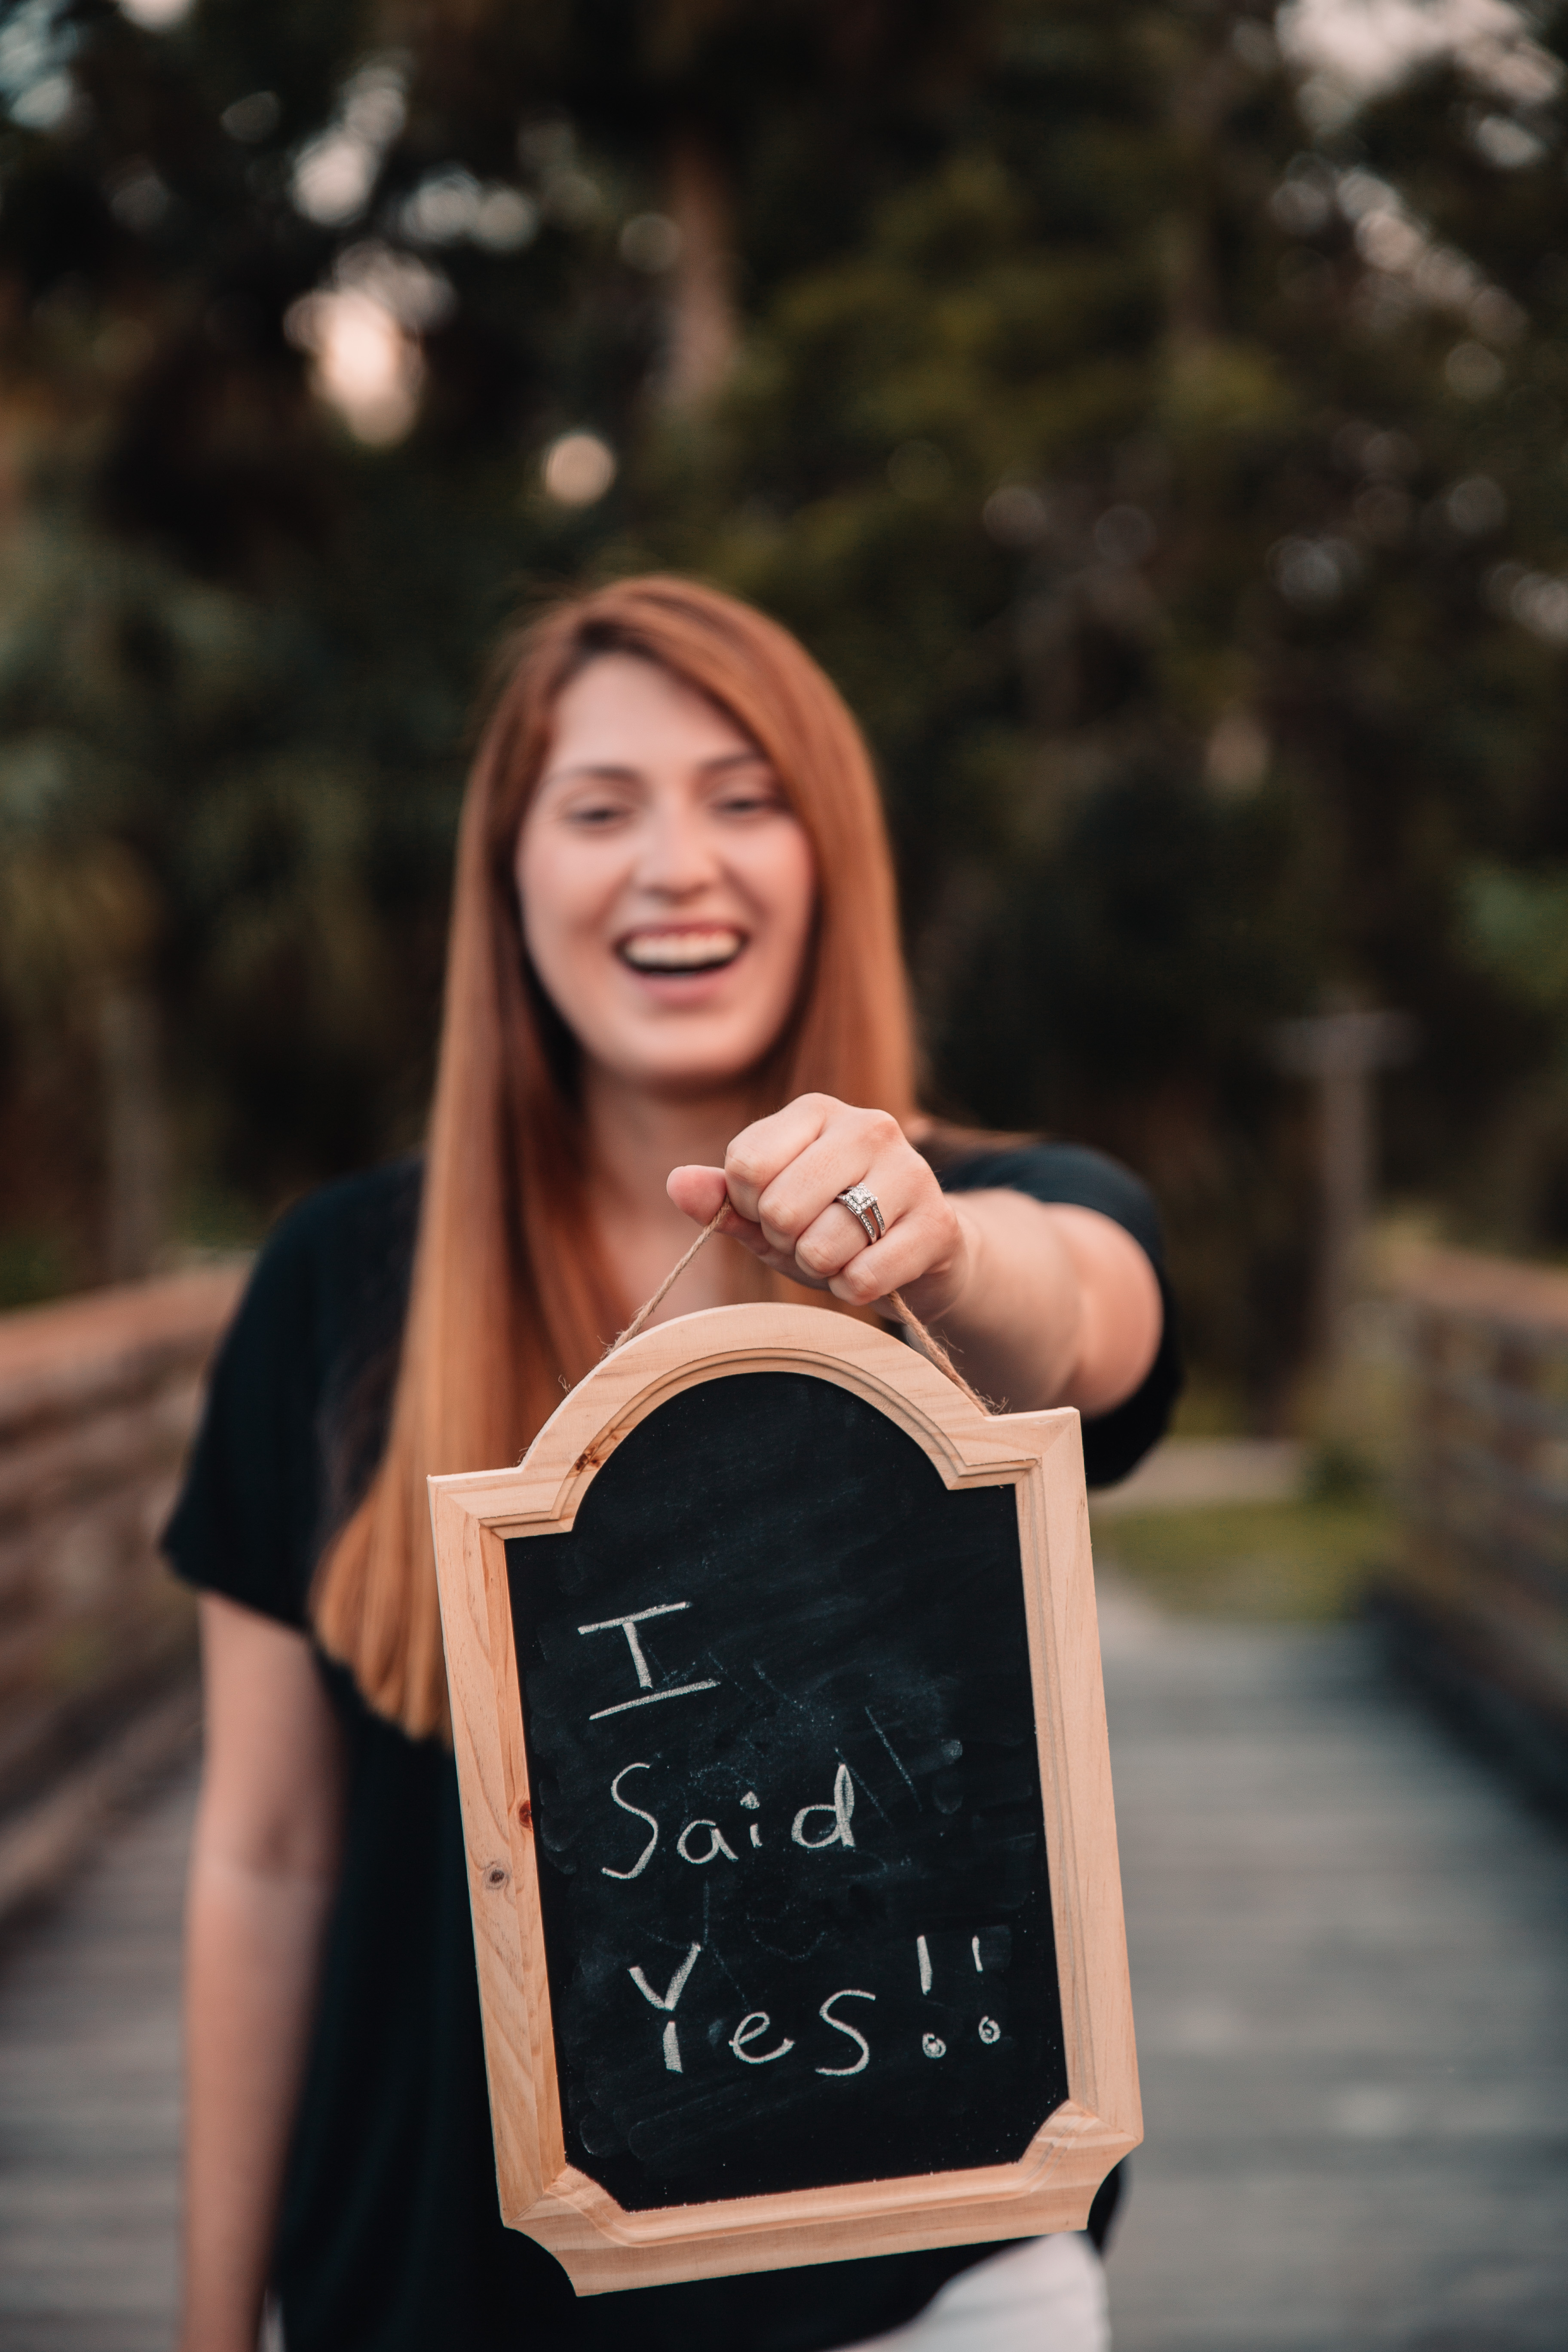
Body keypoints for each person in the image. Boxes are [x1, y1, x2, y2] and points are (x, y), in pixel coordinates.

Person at [167, 576, 1179, 2352]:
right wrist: (203, 2324)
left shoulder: (986, 1217)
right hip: (432, 2300)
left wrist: (945, 1254)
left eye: (743, 798)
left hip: (919, 2285)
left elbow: (1082, 1305)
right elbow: (264, 1858)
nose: (676, 865)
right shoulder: (335, 1284)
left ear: (829, 857)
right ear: (509, 880)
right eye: (600, 809)